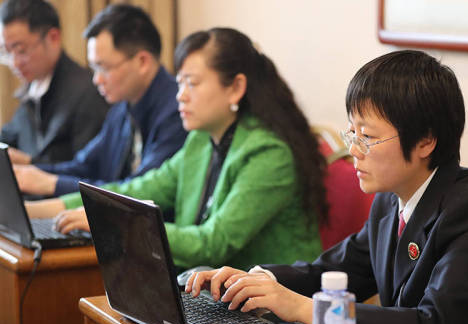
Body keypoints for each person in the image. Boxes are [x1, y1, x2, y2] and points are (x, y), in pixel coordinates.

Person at [184, 50, 468, 324]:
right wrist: (256, 280)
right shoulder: (390, 201)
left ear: (425, 141)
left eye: (368, 137)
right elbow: (333, 271)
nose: (354, 150)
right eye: (352, 132)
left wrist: (304, 308)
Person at [27, 28, 327, 270]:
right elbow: (136, 190)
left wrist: (114, 221)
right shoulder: (200, 141)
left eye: (191, 84)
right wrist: (32, 212)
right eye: (180, 83)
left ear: (235, 87)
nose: (180, 96)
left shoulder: (269, 154)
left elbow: (213, 243)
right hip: (209, 292)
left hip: (269, 309)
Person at [12, 4, 187, 197]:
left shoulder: (178, 112)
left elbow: (137, 194)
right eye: (94, 69)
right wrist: (29, 171)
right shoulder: (122, 107)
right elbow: (85, 166)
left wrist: (52, 184)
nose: (97, 79)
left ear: (142, 62)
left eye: (104, 68)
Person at [0, 0, 108, 165]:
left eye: (21, 50)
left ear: (53, 37)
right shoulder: (32, 89)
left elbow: (88, 170)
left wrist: (30, 164)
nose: (14, 63)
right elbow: (8, 139)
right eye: (6, 52)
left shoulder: (88, 93)